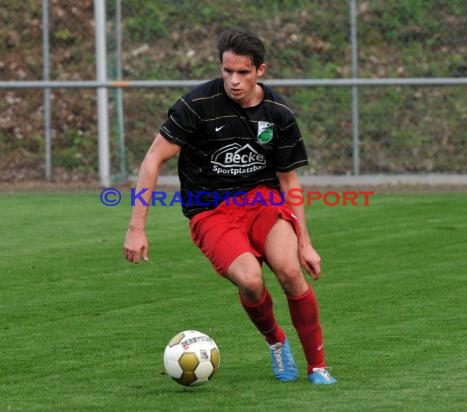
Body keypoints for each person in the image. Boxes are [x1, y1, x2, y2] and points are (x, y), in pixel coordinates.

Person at [123, 28, 336, 385]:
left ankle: (318, 367)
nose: (233, 81)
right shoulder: (196, 105)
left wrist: (306, 242)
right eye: (227, 71)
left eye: (243, 72)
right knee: (251, 281)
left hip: (262, 203)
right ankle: (276, 341)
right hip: (211, 210)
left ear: (260, 71)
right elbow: (152, 160)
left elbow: (288, 181)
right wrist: (136, 227)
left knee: (290, 272)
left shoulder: (278, 113)